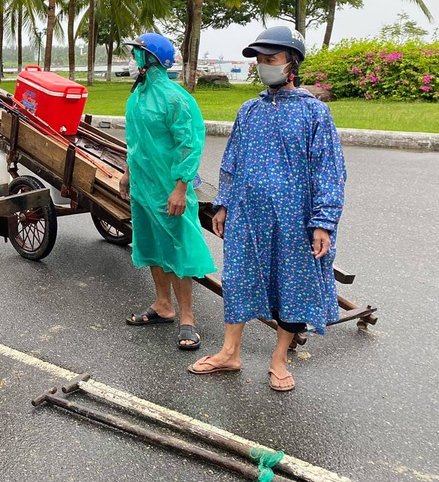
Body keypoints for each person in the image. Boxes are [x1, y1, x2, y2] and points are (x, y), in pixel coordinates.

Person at [189, 26, 345, 392]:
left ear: (291, 63)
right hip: (248, 216)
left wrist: (322, 223)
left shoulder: (315, 114)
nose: (263, 66)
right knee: (240, 279)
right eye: (259, 60)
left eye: (270, 59)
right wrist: (223, 203)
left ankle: (278, 359)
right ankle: (230, 352)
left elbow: (330, 171)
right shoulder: (250, 110)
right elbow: (233, 161)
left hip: (296, 221)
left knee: (294, 286)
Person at [121, 33, 216, 350]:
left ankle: (187, 319)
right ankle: (163, 305)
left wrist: (180, 187)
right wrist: (126, 173)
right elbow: (134, 142)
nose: (133, 58)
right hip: (143, 185)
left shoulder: (176, 99)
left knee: (177, 247)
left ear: (150, 58)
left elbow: (189, 145)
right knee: (151, 244)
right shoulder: (137, 96)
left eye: (137, 53)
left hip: (169, 187)